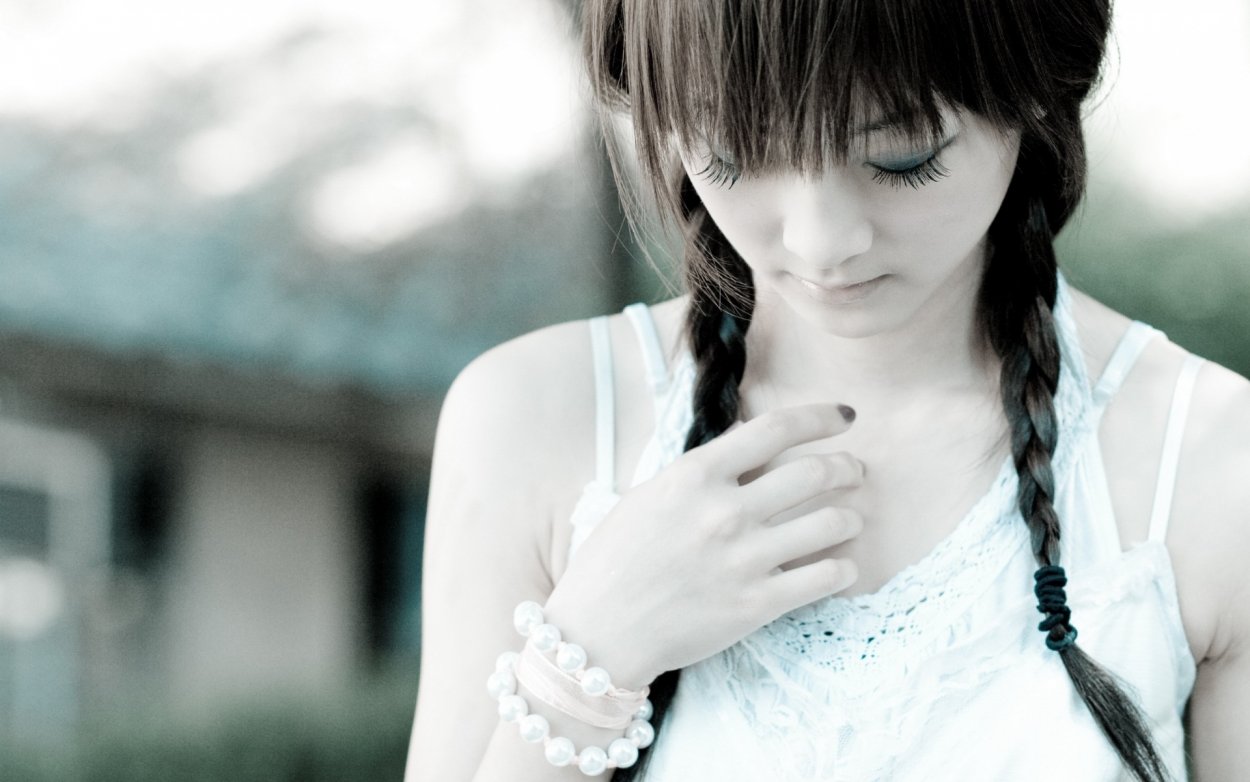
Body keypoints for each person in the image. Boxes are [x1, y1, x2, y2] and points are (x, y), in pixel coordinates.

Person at [406, 0, 1250, 779]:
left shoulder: (1210, 462)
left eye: (902, 157)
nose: (822, 242)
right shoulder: (533, 422)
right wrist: (593, 650)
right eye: (733, 152)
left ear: (1035, 85)